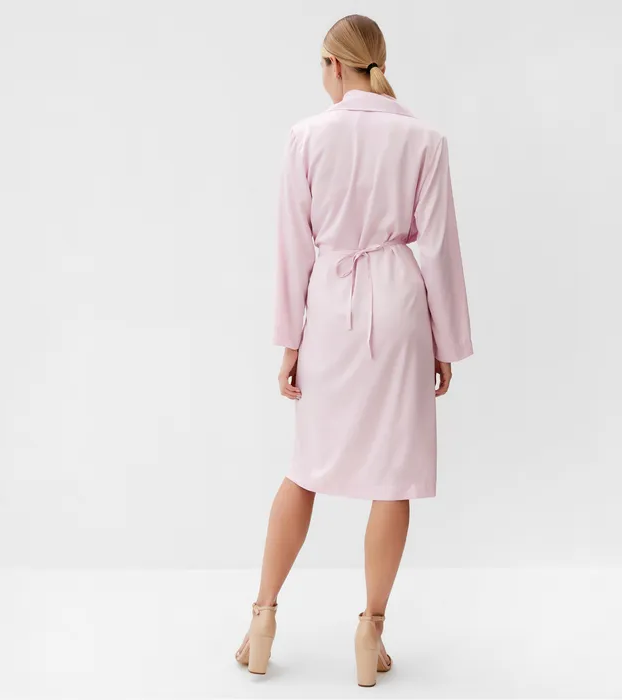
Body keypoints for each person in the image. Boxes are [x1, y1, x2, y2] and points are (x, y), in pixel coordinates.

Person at [235, 13, 473, 687]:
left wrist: (289, 341)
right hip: (399, 309)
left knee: (305, 467)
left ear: (334, 65)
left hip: (331, 307)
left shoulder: (307, 136)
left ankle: (262, 618)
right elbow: (439, 248)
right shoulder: (425, 139)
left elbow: (294, 245)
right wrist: (446, 341)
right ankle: (371, 631)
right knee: (393, 475)